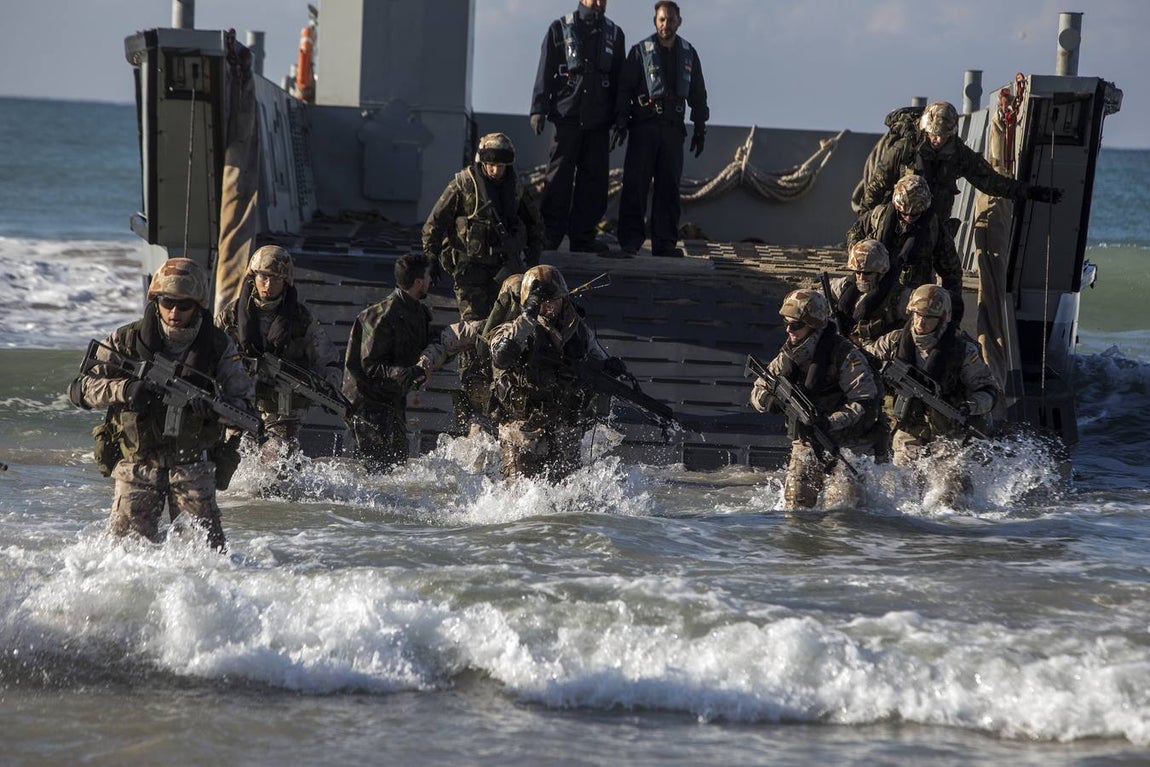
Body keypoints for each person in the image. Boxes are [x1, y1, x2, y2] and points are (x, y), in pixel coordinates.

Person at [67, 258, 255, 551]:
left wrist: (218, 413)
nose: (175, 312)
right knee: (124, 558)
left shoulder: (218, 347)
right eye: (168, 303)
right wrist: (125, 389)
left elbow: (244, 406)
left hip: (192, 467)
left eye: (184, 305)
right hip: (138, 466)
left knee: (207, 558)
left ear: (198, 305)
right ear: (156, 300)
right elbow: (80, 390)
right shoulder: (126, 340)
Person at [488, 264, 623, 481]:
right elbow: (502, 356)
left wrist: (610, 367)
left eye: (554, 301)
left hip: (563, 429)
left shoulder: (577, 330)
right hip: (522, 431)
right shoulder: (514, 329)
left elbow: (597, 358)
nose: (549, 307)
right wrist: (528, 317)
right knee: (519, 498)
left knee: (566, 502)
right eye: (543, 302)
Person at [865, 285, 1001, 496]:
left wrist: (969, 407)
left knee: (950, 493)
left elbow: (988, 391)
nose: (921, 322)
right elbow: (864, 362)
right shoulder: (894, 341)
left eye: (929, 317)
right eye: (918, 315)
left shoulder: (963, 350)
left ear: (942, 319)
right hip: (908, 430)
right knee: (904, 492)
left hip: (949, 436)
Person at [749, 289, 879, 509]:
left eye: (796, 325)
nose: (789, 330)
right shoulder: (787, 356)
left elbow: (863, 402)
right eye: (786, 324)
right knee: (795, 508)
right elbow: (757, 390)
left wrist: (830, 421)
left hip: (849, 444)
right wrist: (769, 401)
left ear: (814, 324)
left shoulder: (845, 355)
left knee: (843, 511)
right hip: (808, 441)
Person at [215, 245, 342, 460]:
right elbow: (210, 351)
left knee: (279, 463)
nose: (268, 285)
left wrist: (330, 389)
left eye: (276, 279)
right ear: (253, 277)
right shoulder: (232, 315)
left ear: (286, 281)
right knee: (236, 460)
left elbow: (327, 359)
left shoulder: (301, 319)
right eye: (263, 277)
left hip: (284, 408)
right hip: (242, 403)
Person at [858, 100, 1062, 224]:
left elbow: (990, 181)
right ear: (925, 130)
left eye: (943, 135)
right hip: (900, 218)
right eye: (934, 134)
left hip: (934, 223)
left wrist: (1030, 192)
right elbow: (878, 185)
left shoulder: (958, 154)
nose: (937, 139)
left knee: (937, 270)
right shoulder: (904, 149)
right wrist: (865, 221)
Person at [529, 0, 625, 255]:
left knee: (594, 182)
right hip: (567, 117)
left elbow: (619, 81)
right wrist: (538, 108)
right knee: (558, 178)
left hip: (599, 122)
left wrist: (620, 119)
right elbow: (546, 69)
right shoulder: (559, 29)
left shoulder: (615, 35)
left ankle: (583, 238)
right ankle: (550, 236)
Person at [614, 1, 708, 258]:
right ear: (655, 22)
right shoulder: (639, 52)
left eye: (670, 19)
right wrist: (621, 121)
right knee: (635, 185)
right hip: (644, 128)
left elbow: (698, 94)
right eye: (661, 20)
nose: (666, 24)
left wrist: (700, 128)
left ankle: (665, 244)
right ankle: (630, 242)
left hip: (673, 129)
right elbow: (624, 89)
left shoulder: (689, 53)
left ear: (679, 21)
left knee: (669, 188)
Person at [422, 132, 544, 323]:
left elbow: (535, 224)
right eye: (491, 165)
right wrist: (431, 255)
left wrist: (533, 255)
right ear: (483, 161)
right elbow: (435, 222)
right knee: (474, 326)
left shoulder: (516, 189)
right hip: (470, 268)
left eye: (501, 166)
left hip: (505, 268)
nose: (495, 171)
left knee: (505, 324)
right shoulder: (464, 185)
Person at [342, 254, 434, 472]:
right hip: (367, 404)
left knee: (398, 464)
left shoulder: (419, 313)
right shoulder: (380, 316)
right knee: (374, 469)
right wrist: (407, 374)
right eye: (428, 276)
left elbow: (423, 346)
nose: (432, 281)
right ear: (418, 282)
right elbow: (369, 366)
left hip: (392, 400)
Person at [847, 175, 963, 312]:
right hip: (874, 289)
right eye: (903, 213)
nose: (908, 218)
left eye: (914, 214)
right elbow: (854, 234)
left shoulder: (934, 228)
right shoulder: (878, 217)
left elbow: (951, 271)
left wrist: (951, 306)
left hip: (910, 299)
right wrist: (862, 260)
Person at [826, 239, 911, 346]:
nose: (862, 277)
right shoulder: (846, 285)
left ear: (880, 272)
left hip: (878, 350)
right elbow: (823, 293)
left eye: (867, 273)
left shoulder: (900, 296)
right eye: (858, 272)